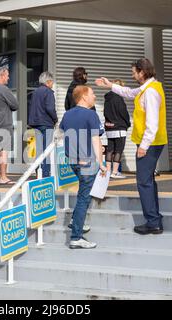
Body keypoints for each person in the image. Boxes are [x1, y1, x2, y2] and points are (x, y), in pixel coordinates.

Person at [96, 58, 168, 235]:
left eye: (134, 72)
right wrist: (110, 85)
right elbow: (128, 92)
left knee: (143, 182)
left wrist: (143, 146)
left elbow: (152, 123)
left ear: (142, 72)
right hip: (153, 142)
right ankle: (155, 218)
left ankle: (153, 222)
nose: (132, 75)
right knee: (148, 180)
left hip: (149, 143)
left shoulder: (150, 92)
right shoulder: (148, 88)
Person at [59, 85, 107, 249]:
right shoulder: (91, 114)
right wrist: (101, 163)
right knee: (83, 198)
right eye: (92, 94)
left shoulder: (67, 114)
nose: (94, 96)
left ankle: (75, 221)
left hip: (73, 161)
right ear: (84, 96)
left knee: (82, 193)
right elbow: (96, 140)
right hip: (87, 162)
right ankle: (76, 237)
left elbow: (60, 135)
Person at [0, 66, 19, 185]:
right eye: (7, 75)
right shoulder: (3, 89)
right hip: (4, 124)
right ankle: (3, 177)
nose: (8, 77)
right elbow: (15, 105)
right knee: (4, 151)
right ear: (1, 76)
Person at [27, 71, 58, 177]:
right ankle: (45, 173)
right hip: (47, 123)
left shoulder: (35, 92)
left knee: (39, 149)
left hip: (36, 124)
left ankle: (38, 172)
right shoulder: (48, 92)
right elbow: (50, 108)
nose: (52, 84)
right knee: (47, 150)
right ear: (48, 82)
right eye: (52, 82)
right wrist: (55, 119)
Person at [103, 79, 131, 179]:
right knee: (119, 150)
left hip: (109, 127)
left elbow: (105, 113)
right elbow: (124, 113)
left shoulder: (107, 98)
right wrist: (127, 123)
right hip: (120, 128)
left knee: (109, 150)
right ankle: (115, 172)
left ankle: (108, 171)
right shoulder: (119, 99)